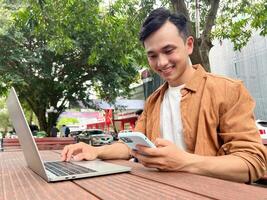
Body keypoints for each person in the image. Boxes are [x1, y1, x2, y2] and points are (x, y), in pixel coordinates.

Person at [61, 7, 267, 183]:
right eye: (152, 55)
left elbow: (253, 162)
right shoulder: (153, 101)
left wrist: (185, 161)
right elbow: (131, 146)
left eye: (169, 50)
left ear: (189, 45)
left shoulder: (228, 90)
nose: (161, 63)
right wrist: (95, 151)